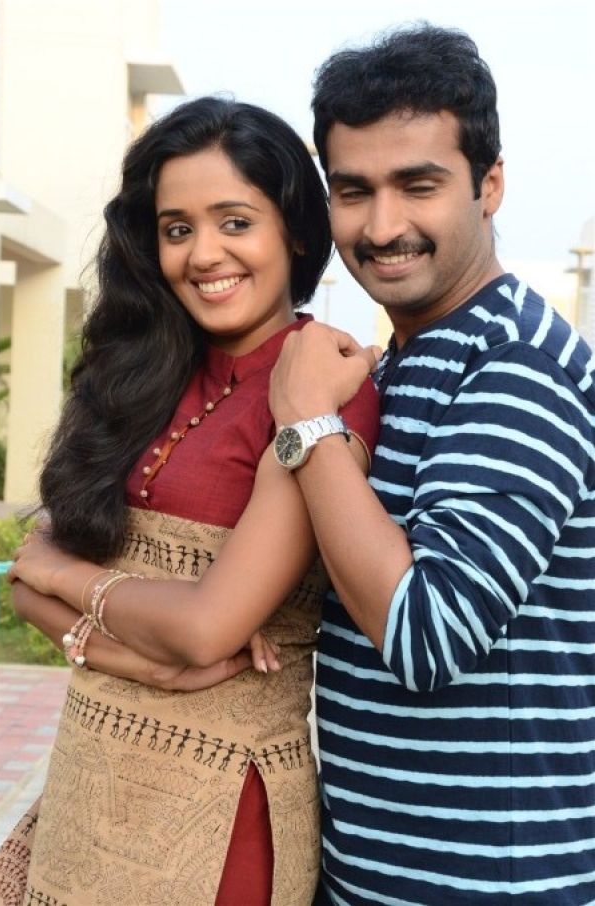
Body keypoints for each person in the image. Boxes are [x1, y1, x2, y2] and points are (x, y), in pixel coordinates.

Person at [0, 95, 379, 906]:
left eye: (235, 222)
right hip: (89, 785)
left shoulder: (317, 382)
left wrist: (66, 577)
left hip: (218, 810)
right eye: (177, 229)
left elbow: (208, 627)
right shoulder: (142, 374)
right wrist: (135, 657)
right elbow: (22, 587)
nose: (203, 254)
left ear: (295, 231)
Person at [267, 21, 595, 906]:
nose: (382, 227)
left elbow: (426, 633)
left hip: (495, 882)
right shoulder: (398, 366)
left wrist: (305, 423)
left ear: (490, 185)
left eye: (418, 186)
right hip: (373, 875)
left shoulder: (517, 363)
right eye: (353, 191)